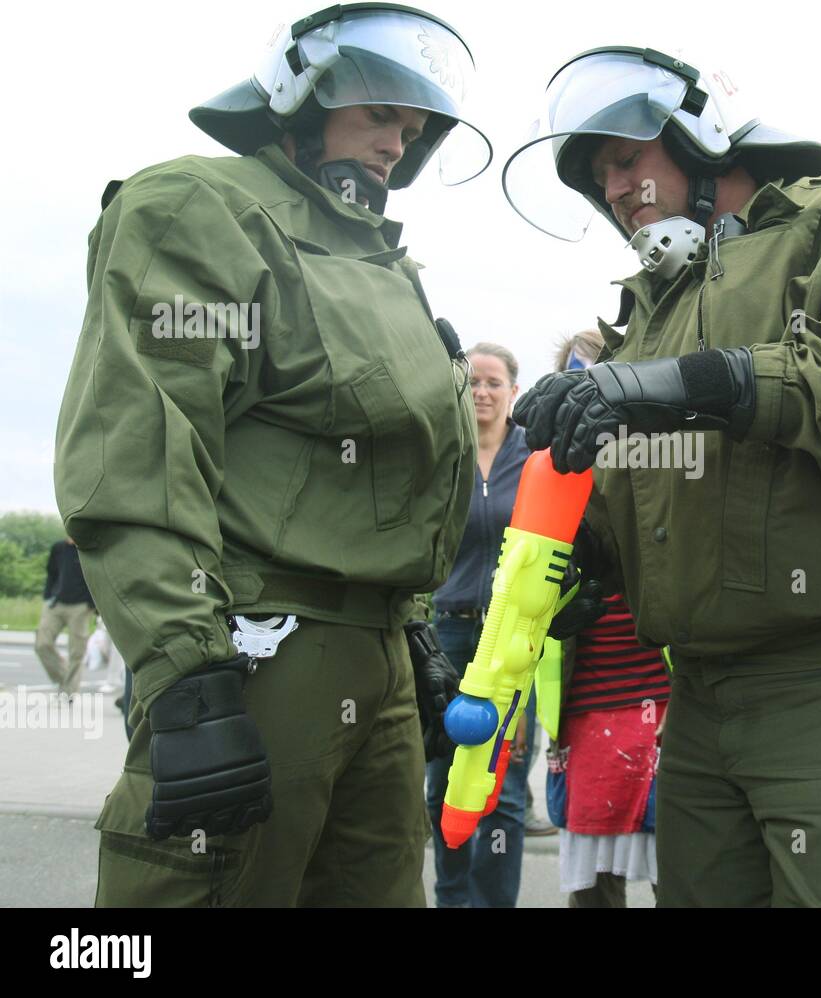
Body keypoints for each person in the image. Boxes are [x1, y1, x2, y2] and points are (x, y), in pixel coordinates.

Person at [505, 46, 821, 907]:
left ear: (700, 136)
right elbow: (659, 503)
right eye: (599, 178)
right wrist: (587, 564)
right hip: (698, 706)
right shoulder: (650, 310)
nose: (616, 191)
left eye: (626, 159)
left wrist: (698, 382)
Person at [54, 3, 488, 907]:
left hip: (377, 664)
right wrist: (186, 676)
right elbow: (138, 452)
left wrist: (404, 628)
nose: (396, 149)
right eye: (380, 117)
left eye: (410, 132)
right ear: (299, 98)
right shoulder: (202, 207)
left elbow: (370, 486)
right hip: (256, 648)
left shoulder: (384, 266)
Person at [538, 330, 670, 907]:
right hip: (586, 707)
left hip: (665, 700)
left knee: (685, 866)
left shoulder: (664, 456)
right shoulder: (549, 474)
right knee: (592, 887)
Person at [424, 342, 537, 907]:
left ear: (514, 392)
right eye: (472, 383)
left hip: (513, 642)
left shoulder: (535, 456)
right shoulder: (446, 454)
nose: (482, 393)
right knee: (445, 779)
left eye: (494, 382)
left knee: (505, 786)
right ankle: (452, 899)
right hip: (449, 633)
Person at [35, 538, 95, 696]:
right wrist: (48, 595)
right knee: (42, 644)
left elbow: (97, 576)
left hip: (80, 607)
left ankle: (68, 692)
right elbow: (51, 572)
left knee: (76, 651)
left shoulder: (89, 548)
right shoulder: (58, 548)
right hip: (56, 603)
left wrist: (91, 604)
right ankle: (64, 678)